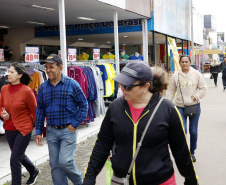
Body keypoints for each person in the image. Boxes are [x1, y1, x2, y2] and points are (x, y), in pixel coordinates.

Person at [83, 61, 199, 185]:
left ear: (146, 86)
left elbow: (180, 150)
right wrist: (89, 178)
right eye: (120, 84)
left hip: (160, 180)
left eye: (127, 86)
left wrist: (191, 179)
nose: (122, 89)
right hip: (122, 180)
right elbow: (102, 144)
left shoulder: (167, 109)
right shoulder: (115, 107)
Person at [35, 54, 88, 185]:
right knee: (55, 164)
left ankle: (79, 182)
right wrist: (38, 131)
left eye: (51, 67)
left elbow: (84, 104)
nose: (48, 70)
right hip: (52, 131)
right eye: (46, 67)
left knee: (65, 161)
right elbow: (40, 109)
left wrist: (75, 124)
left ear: (61, 68)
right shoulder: (43, 87)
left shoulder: (72, 84)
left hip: (68, 130)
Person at [0, 63, 40, 185]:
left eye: (12, 72)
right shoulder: (4, 89)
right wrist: (2, 114)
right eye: (9, 72)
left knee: (14, 160)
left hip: (24, 129)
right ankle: (33, 171)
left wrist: (39, 131)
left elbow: (34, 112)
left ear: (20, 75)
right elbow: (0, 107)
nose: (8, 74)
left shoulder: (27, 91)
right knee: (19, 155)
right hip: (9, 128)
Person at [165, 55, 207, 162]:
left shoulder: (196, 74)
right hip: (180, 106)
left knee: (193, 131)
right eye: (182, 62)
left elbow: (203, 88)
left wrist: (195, 96)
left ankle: (192, 152)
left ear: (189, 62)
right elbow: (170, 91)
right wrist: (166, 103)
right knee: (183, 130)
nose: (184, 63)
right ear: (179, 63)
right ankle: (183, 152)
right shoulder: (176, 75)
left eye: (186, 62)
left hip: (194, 106)